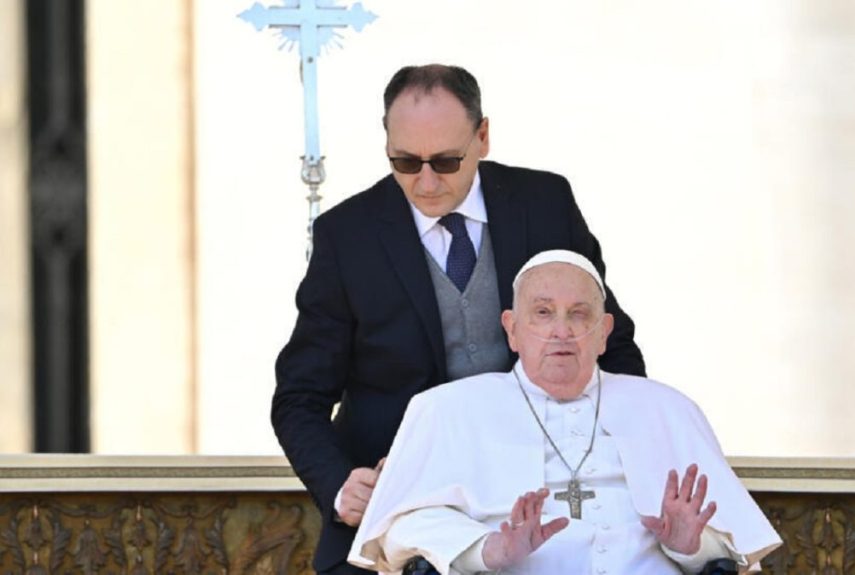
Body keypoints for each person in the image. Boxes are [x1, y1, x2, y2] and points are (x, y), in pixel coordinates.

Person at [272, 65, 646, 575]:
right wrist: (340, 485)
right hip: (402, 505)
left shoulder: (544, 204)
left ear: (483, 137)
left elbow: (613, 347)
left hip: (541, 497)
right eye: (405, 162)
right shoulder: (346, 235)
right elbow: (299, 397)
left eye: (446, 161)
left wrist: (622, 466)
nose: (425, 182)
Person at [348, 250, 781, 574]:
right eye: (542, 313)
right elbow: (396, 531)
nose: (561, 330)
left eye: (579, 315)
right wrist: (487, 549)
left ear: (604, 333)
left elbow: (730, 549)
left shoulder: (666, 408)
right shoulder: (446, 409)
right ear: (512, 330)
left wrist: (690, 546)